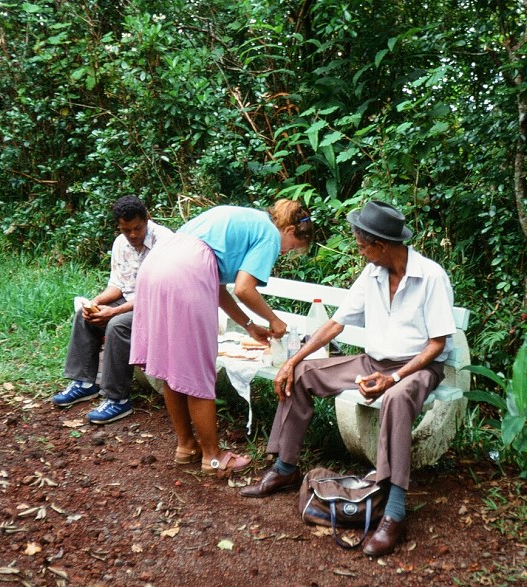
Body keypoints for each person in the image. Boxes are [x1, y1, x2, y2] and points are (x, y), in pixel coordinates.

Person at [239, 200, 456, 558]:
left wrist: (396, 377)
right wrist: (293, 359)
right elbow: (337, 323)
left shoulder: (430, 276)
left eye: (361, 246)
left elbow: (437, 344)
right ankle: (285, 467)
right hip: (373, 362)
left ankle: (395, 511)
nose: (359, 251)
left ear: (381, 245)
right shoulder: (372, 273)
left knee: (398, 397)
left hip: (416, 367)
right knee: (304, 374)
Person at [130, 200, 314, 478]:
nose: (285, 252)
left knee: (173, 365)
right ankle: (213, 457)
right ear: (288, 229)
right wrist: (275, 320)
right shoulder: (270, 234)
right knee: (197, 370)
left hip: (156, 266)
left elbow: (218, 288)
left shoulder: (244, 219)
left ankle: (186, 446)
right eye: (291, 247)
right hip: (185, 273)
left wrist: (250, 325)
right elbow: (243, 288)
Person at [52, 196, 174, 424]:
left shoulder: (165, 241)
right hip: (133, 302)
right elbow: (118, 285)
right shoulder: (121, 243)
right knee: (85, 315)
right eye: (126, 230)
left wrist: (113, 313)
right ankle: (85, 383)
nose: (133, 235)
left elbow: (155, 294)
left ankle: (118, 399)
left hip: (161, 307)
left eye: (138, 228)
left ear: (147, 218)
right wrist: (96, 302)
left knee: (118, 326)